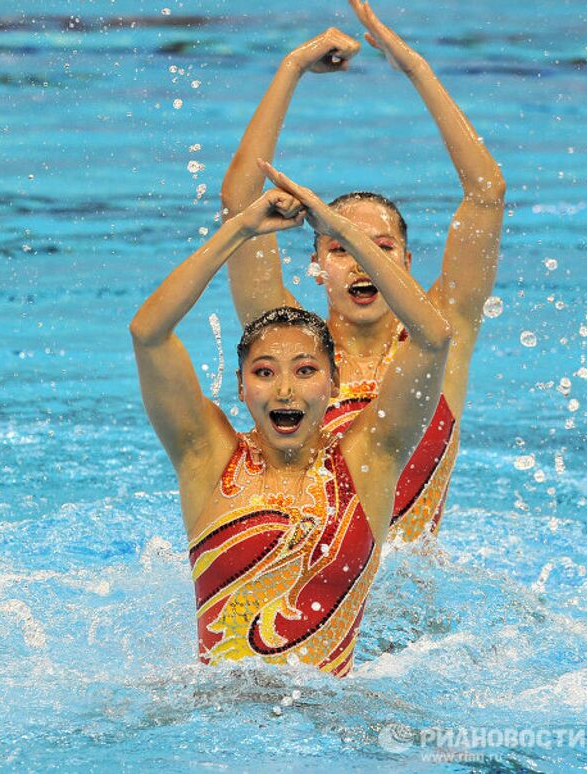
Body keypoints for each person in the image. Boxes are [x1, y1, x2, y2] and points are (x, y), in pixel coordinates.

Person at [130, 165, 451, 676]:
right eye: (264, 372)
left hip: (333, 725)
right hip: (213, 723)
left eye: (304, 371)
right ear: (241, 387)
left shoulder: (369, 463)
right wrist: (238, 230)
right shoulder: (207, 459)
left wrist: (343, 234)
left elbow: (434, 337)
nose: (284, 389)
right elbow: (148, 333)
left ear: (333, 385)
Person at [221, 0, 506, 543]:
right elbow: (240, 205)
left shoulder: (442, 334)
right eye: (339, 247)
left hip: (410, 589)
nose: (359, 261)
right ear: (316, 267)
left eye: (379, 246)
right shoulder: (293, 347)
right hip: (307, 577)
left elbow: (486, 194)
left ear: (404, 262)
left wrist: (416, 68)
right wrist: (292, 67)